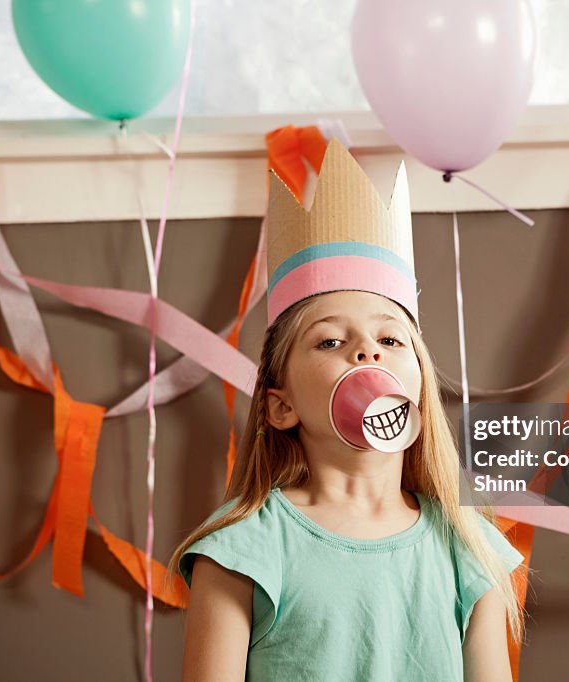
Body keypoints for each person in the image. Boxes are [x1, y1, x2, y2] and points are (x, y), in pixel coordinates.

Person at [166, 139, 528, 681]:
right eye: (331, 342)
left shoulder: (469, 548)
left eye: (391, 339)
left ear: (420, 395)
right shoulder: (243, 548)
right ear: (281, 405)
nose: (368, 351)